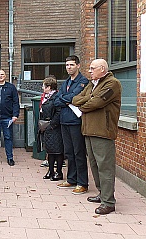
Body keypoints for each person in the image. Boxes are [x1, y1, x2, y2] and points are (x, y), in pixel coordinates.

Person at [72, 59, 122, 215]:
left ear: (102, 69)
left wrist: (86, 102)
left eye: (93, 68)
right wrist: (89, 99)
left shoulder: (112, 84)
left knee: (105, 167)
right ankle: (102, 194)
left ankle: (108, 202)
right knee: (94, 165)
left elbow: (96, 103)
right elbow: (75, 99)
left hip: (102, 131)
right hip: (88, 130)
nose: (90, 71)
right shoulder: (93, 84)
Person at [54, 55, 89, 195]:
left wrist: (65, 99)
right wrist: (66, 100)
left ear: (78, 66)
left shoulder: (83, 82)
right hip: (64, 121)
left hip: (75, 121)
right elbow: (56, 100)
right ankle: (71, 179)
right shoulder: (66, 82)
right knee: (69, 152)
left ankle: (82, 183)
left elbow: (75, 98)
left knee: (79, 152)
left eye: (72, 65)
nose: (69, 67)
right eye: (67, 65)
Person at [38, 76, 63, 180]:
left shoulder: (56, 97)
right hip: (46, 126)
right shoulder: (45, 97)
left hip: (54, 127)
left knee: (57, 151)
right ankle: (51, 170)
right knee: (50, 150)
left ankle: (59, 172)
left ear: (49, 87)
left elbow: (58, 111)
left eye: (44, 86)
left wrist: (52, 124)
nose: (42, 88)